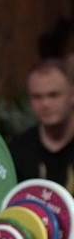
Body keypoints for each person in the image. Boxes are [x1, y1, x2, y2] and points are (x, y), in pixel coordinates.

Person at [8, 59, 74, 192]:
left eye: (53, 95)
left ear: (72, 95)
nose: (45, 104)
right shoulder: (18, 151)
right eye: (37, 97)